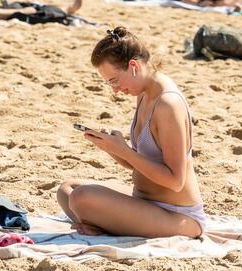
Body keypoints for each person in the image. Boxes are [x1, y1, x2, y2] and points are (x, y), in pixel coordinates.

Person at [56, 27, 205, 238]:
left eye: (114, 81)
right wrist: (112, 147)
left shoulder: (167, 104)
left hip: (178, 215)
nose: (115, 90)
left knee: (82, 198)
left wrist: (125, 151)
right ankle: (106, 223)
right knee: (67, 189)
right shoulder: (144, 92)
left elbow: (175, 180)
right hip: (145, 201)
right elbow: (137, 163)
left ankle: (104, 224)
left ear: (133, 66)